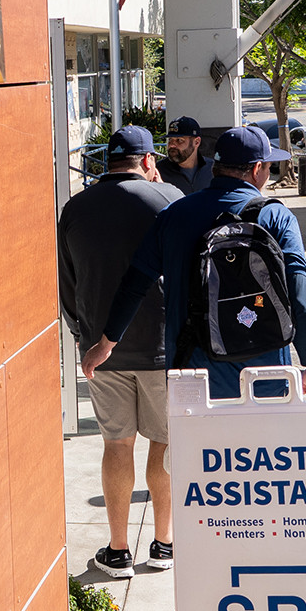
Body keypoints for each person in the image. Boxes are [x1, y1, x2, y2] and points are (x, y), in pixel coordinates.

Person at [83, 126, 306, 402]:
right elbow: (299, 291)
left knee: (197, 446)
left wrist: (106, 344)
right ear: (257, 169)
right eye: (269, 166)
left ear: (216, 167)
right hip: (265, 374)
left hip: (192, 374)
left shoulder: (173, 216)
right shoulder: (275, 216)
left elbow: (134, 286)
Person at [58, 125, 184, 578]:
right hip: (163, 348)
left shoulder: (75, 208)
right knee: (165, 443)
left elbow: (66, 285)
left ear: (106, 162)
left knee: (116, 443)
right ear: (148, 161)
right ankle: (164, 544)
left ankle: (117, 550)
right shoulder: (168, 198)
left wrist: (83, 335)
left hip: (100, 351)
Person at [157, 116, 214, 196]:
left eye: (179, 140)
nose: (172, 145)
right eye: (170, 140)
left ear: (196, 142)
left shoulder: (213, 169)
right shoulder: (158, 171)